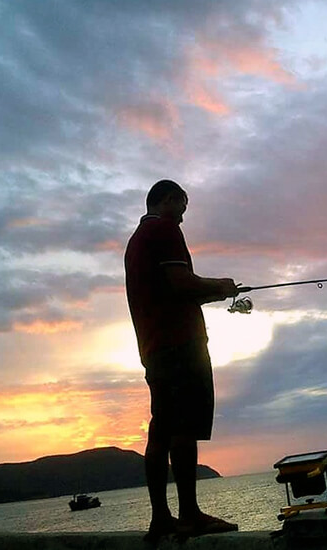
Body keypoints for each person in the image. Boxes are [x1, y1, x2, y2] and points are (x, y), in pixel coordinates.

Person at [124, 179, 240, 541]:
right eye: (183, 206)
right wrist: (220, 284)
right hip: (181, 346)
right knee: (183, 429)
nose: (184, 217)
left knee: (160, 431)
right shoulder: (164, 229)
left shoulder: (135, 242)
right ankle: (189, 515)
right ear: (168, 200)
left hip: (154, 349)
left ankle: (161, 519)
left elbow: (171, 291)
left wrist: (210, 294)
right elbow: (181, 283)